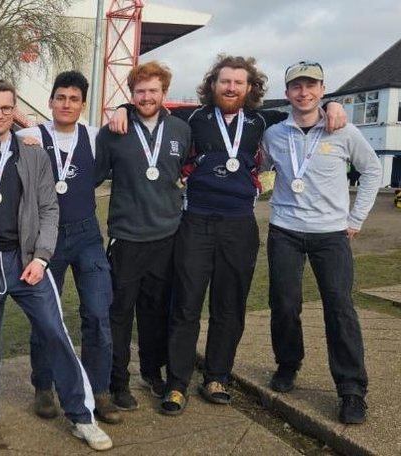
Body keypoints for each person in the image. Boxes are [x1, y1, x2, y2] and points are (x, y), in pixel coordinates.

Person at [109, 55, 346, 416]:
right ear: (213, 85)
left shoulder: (263, 120)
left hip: (239, 225)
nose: (231, 88)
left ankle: (217, 376)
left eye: (238, 82)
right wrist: (125, 106)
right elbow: (150, 104)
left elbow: (303, 109)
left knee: (229, 306)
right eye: (224, 82)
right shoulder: (193, 118)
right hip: (195, 223)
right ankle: (176, 383)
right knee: (185, 305)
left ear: (250, 88)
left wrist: (332, 104)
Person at [0, 79, 112, 454]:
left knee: (55, 333)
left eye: (6, 108)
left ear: (14, 110)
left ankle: (82, 417)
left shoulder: (33, 154)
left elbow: (50, 209)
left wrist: (41, 257)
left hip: (26, 262)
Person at [260, 61, 381, 424]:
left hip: (331, 235)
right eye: (296, 86)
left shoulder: (343, 130)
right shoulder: (274, 134)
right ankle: (287, 364)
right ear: (287, 93)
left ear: (322, 90)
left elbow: (373, 170)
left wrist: (355, 218)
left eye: (311, 86)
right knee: (283, 303)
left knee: (339, 308)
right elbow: (264, 169)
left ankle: (351, 389)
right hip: (285, 231)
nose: (304, 92)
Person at [16, 71, 119, 424]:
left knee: (98, 314)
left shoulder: (93, 137)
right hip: (46, 239)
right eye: (61, 97)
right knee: (46, 316)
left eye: (74, 99)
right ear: (51, 101)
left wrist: (122, 107)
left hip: (87, 235)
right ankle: (44, 386)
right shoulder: (28, 136)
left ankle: (99, 390)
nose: (66, 104)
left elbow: (131, 126)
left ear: (83, 105)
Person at [94, 62, 190, 412]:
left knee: (156, 312)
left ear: (163, 92)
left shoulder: (181, 129)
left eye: (153, 90)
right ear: (131, 95)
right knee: (120, 313)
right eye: (139, 92)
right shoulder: (113, 131)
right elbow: (90, 177)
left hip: (167, 237)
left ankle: (152, 372)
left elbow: (187, 173)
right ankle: (118, 382)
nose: (146, 97)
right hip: (126, 238)